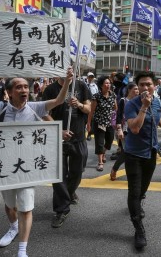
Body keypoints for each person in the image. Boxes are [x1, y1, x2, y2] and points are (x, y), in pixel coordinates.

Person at [0, 62, 72, 257]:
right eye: (19, 87)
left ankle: (22, 249)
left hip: (28, 167)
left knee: (25, 206)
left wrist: (67, 82)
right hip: (4, 166)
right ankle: (13, 227)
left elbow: (58, 100)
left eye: (26, 86)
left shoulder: (34, 107)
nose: (24, 90)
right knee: (10, 205)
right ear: (9, 92)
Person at [124, 71, 161, 249]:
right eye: (142, 85)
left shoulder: (157, 102)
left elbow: (158, 118)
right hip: (133, 154)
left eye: (149, 84)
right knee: (134, 191)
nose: (145, 88)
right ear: (137, 87)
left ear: (155, 85)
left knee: (142, 191)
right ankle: (138, 229)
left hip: (151, 152)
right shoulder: (131, 104)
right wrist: (144, 107)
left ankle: (137, 206)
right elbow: (135, 129)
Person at [42, 74, 92, 228]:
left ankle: (69, 192)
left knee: (77, 171)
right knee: (58, 176)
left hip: (78, 137)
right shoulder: (50, 89)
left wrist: (80, 105)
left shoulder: (81, 86)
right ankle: (61, 209)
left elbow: (89, 108)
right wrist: (59, 129)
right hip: (58, 138)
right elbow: (44, 113)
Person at [87, 75, 117, 172]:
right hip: (99, 122)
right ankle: (100, 162)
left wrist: (114, 118)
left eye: (109, 83)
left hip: (109, 123)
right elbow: (91, 111)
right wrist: (88, 123)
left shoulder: (113, 95)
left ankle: (103, 152)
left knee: (110, 140)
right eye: (106, 83)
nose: (108, 85)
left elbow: (115, 108)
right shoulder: (97, 96)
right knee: (99, 142)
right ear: (101, 85)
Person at [111, 82, 139, 180]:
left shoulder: (139, 100)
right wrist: (119, 130)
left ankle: (133, 173)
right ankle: (115, 169)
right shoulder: (123, 100)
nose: (137, 91)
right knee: (126, 152)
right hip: (125, 129)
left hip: (136, 129)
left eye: (137, 89)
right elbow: (119, 115)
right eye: (135, 89)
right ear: (129, 90)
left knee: (134, 153)